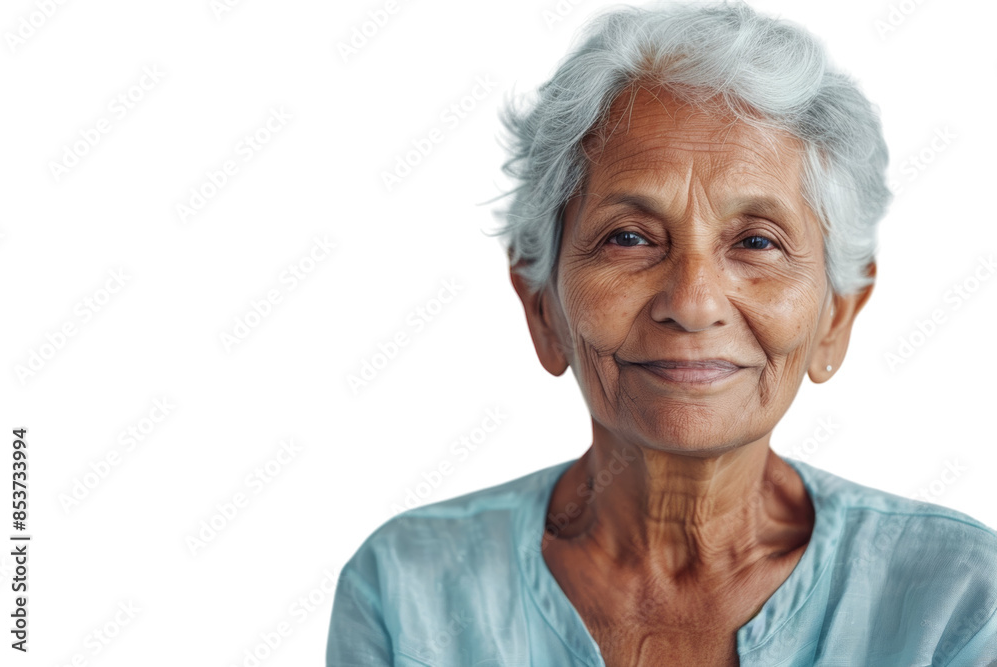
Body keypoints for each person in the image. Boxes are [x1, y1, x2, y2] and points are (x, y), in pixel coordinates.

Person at [327, 2, 997, 664]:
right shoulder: (410, 592)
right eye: (628, 237)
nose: (693, 302)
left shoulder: (956, 600)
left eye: (757, 241)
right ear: (542, 308)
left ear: (836, 316)